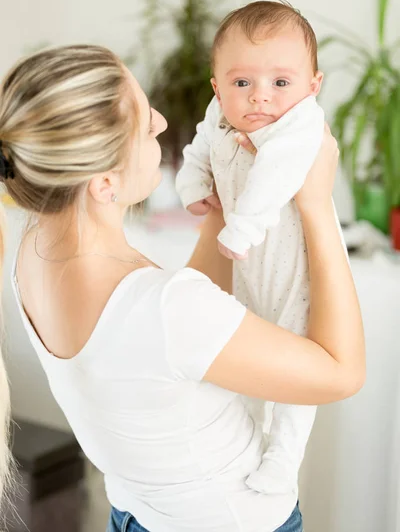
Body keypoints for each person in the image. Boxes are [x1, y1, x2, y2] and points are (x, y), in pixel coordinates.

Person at [0, 45, 364, 532]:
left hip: (136, 516)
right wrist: (317, 203)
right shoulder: (164, 307)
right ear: (105, 181)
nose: (161, 122)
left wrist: (222, 201)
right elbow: (341, 374)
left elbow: (181, 344)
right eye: (144, 124)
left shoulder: (30, 257)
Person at [175, 0, 345, 495]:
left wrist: (240, 229)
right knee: (247, 357)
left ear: (313, 86)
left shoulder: (300, 126)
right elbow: (200, 148)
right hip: (250, 271)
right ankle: (247, 436)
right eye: (242, 83)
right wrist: (193, 187)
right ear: (217, 86)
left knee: (299, 374)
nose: (260, 99)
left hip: (301, 272)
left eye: (281, 83)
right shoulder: (220, 116)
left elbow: (274, 179)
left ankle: (284, 456)